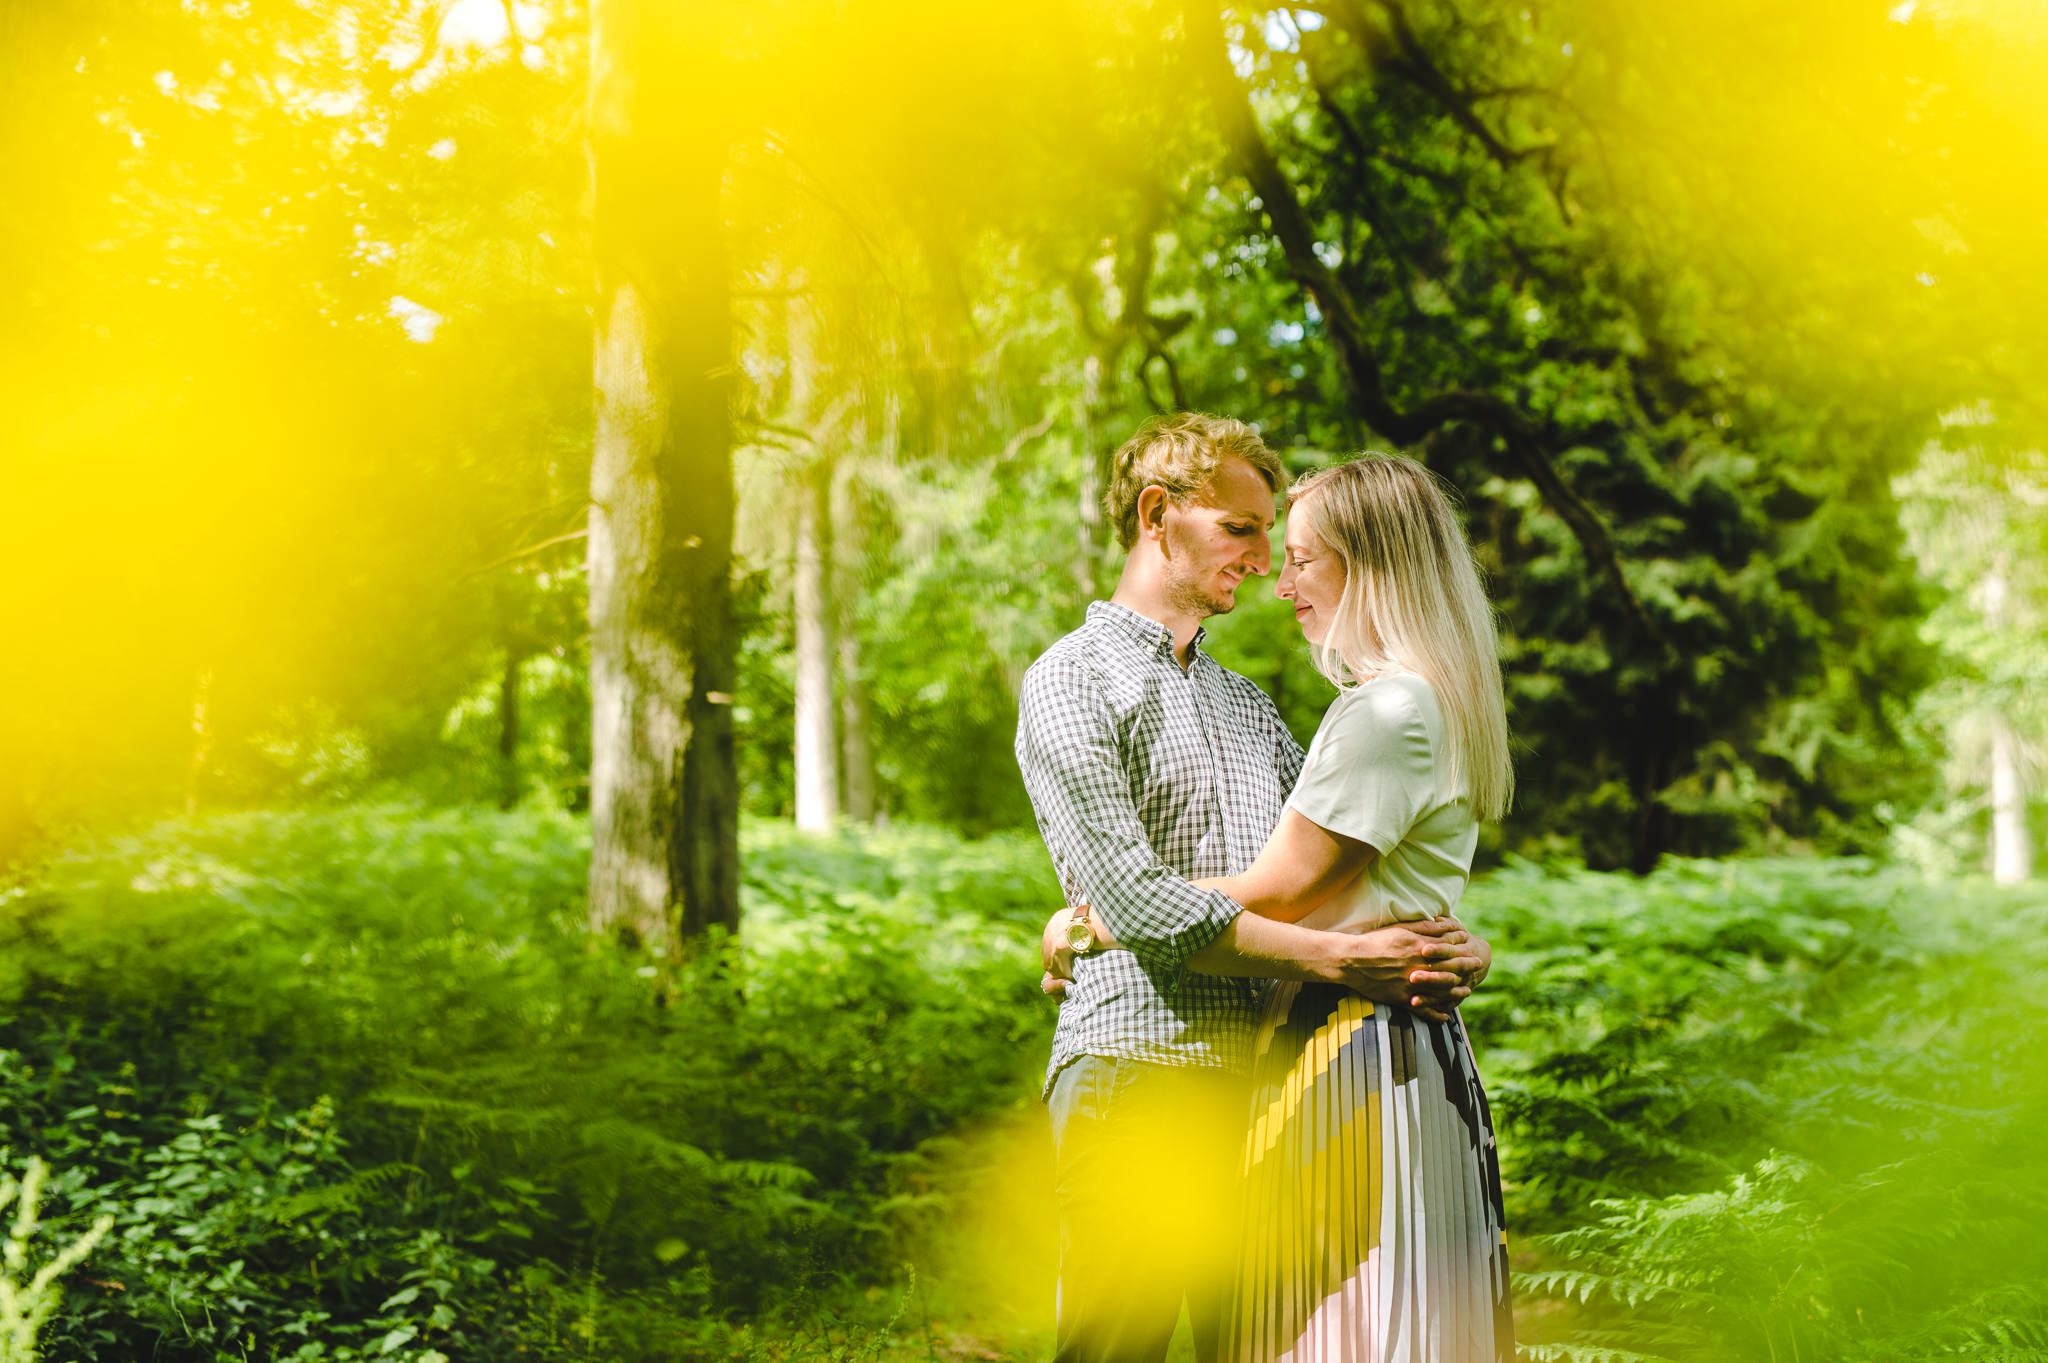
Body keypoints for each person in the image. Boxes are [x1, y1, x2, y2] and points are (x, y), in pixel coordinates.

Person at [1015, 414, 1491, 1363]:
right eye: (1240, 528)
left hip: (1274, 1088)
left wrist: (1448, 938)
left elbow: (1321, 877)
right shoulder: (1071, 680)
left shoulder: (1251, 706)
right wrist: (1349, 959)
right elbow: (1147, 907)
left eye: (1272, 532)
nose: (1266, 557)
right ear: (1159, 515)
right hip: (1136, 1073)